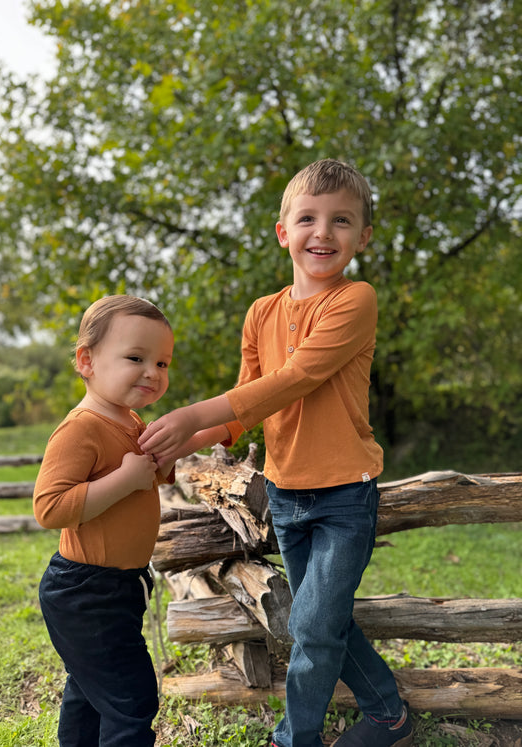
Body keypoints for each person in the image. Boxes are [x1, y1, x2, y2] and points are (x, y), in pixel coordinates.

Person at [138, 159, 413, 747]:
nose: (324, 232)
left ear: (362, 236)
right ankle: (390, 714)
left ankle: (295, 738)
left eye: (342, 220)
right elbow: (247, 410)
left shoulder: (355, 300)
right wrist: (182, 445)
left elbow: (294, 379)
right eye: (308, 218)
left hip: (344, 493)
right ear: (283, 231)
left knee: (314, 622)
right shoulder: (261, 312)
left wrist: (189, 412)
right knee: (322, 618)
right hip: (285, 494)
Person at [33, 295, 176, 747]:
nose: (152, 371)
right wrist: (125, 478)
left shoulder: (132, 421)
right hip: (85, 591)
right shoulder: (81, 428)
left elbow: (149, 471)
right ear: (86, 360)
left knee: (91, 691)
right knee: (130, 700)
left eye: (162, 362)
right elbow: (49, 508)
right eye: (136, 357)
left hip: (118, 587)